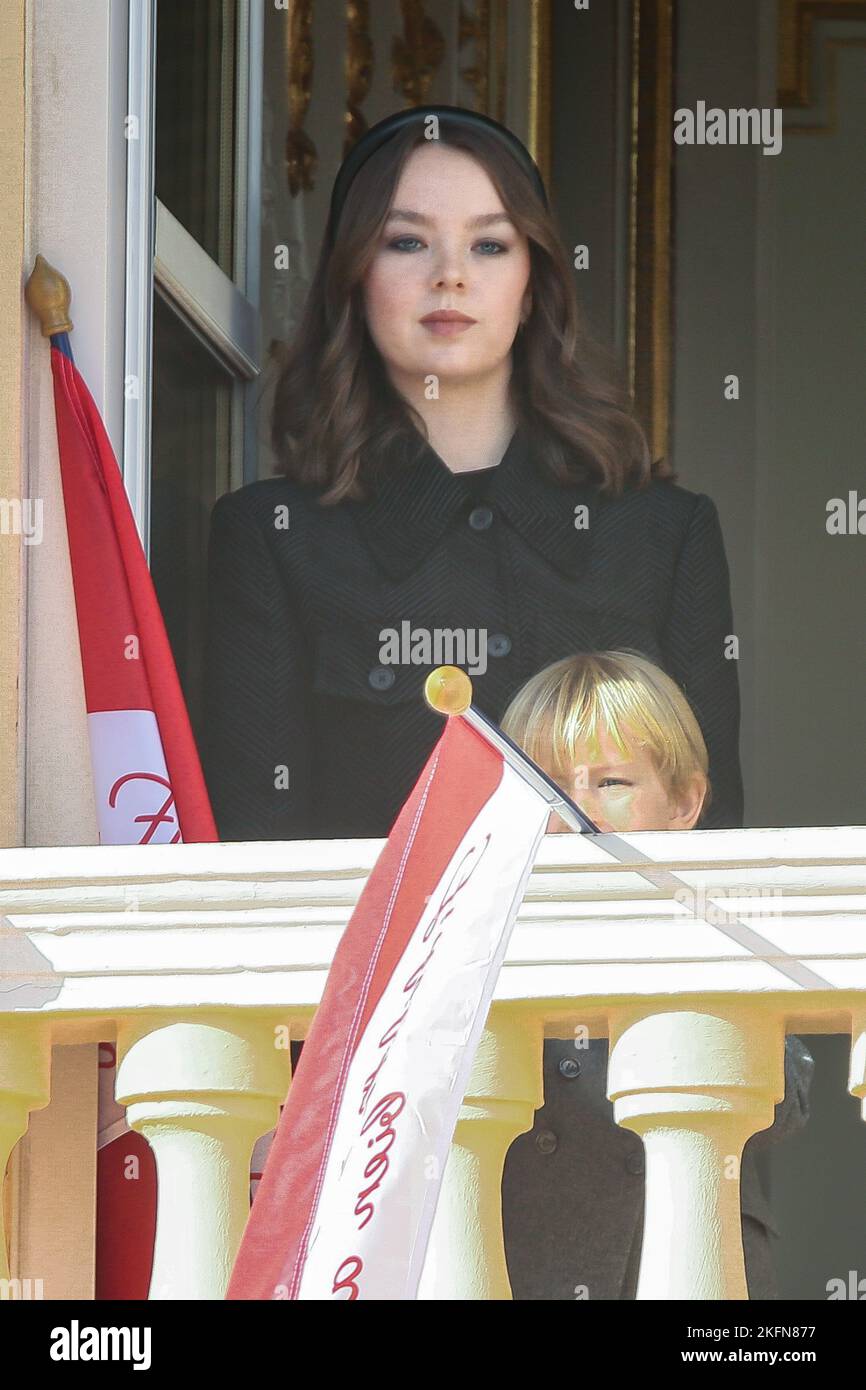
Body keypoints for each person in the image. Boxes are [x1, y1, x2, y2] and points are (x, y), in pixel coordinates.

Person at [202, 105, 744, 842]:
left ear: (533, 285)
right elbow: (258, 856)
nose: (449, 276)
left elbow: (715, 838)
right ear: (354, 280)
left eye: (489, 245)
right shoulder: (271, 537)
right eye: (406, 242)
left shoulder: (663, 532)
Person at [498, 649, 814, 1300]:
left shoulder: (722, 922)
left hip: (689, 1260)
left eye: (611, 783)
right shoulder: (482, 931)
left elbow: (790, 1104)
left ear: (684, 801)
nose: (576, 812)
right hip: (525, 1264)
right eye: (548, 788)